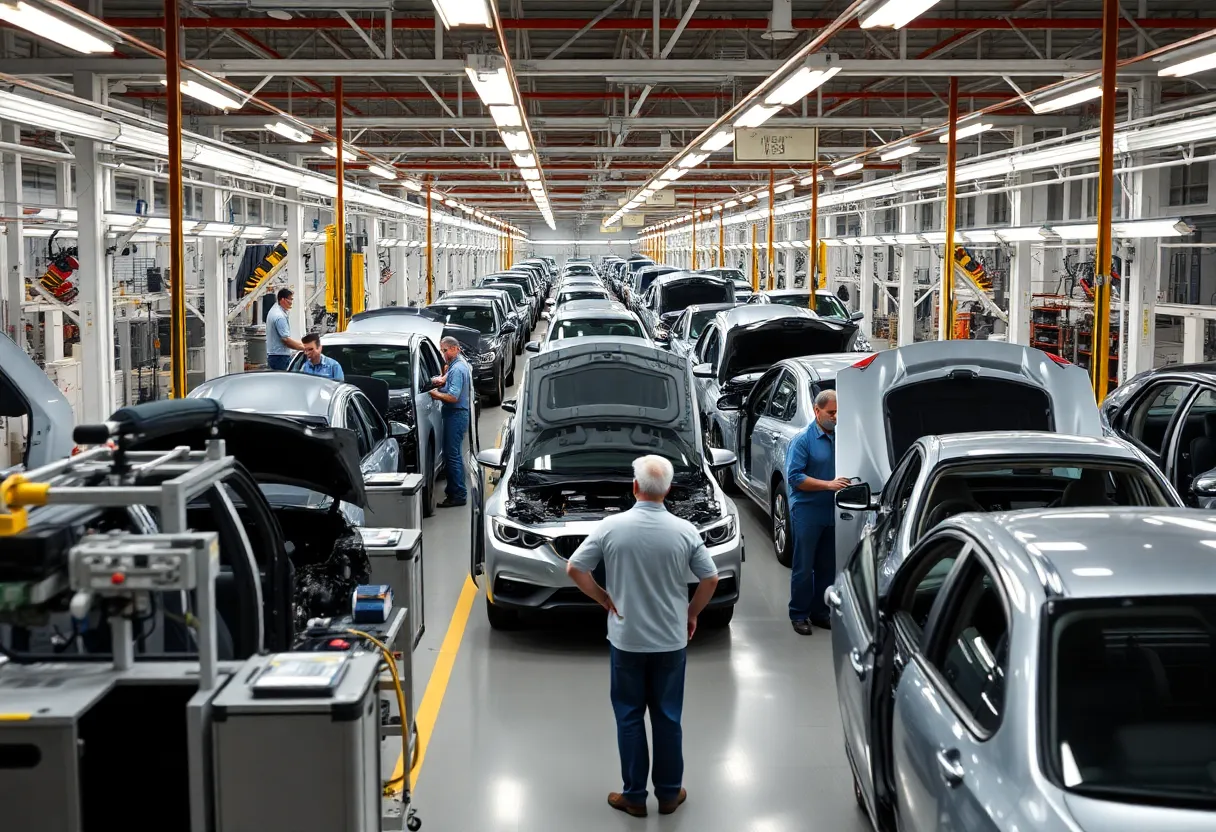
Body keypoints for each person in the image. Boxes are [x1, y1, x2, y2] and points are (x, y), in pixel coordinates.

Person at [566, 455, 720, 819]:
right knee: (668, 717)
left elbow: (574, 567)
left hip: (627, 640)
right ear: (668, 490)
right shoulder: (685, 531)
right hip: (671, 640)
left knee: (630, 716)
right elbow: (710, 578)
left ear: (634, 487)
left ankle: (634, 796)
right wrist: (692, 613)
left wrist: (603, 597)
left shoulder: (611, 527)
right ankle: (668, 794)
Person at [786, 389, 848, 636]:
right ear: (817, 411)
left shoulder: (841, 438)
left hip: (832, 512)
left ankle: (820, 612)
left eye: (838, 413)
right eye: (831, 413)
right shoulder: (803, 441)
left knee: (827, 566)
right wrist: (828, 485)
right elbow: (794, 477)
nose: (835, 417)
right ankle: (799, 614)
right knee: (804, 566)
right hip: (807, 512)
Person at [429, 335, 472, 508]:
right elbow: (446, 381)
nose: (443, 353)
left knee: (452, 455)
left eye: (445, 350)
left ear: (455, 348)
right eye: (442, 351)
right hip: (456, 415)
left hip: (456, 415)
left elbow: (453, 396)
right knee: (452, 454)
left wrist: (435, 394)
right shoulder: (456, 366)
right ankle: (455, 491)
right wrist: (440, 379)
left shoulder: (457, 369)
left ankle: (458, 494)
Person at [265, 288, 304, 370]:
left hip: (275, 356)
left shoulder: (275, 310)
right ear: (282, 299)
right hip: (280, 357)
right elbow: (286, 340)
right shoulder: (279, 316)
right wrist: (304, 348)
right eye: (290, 299)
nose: (291, 302)